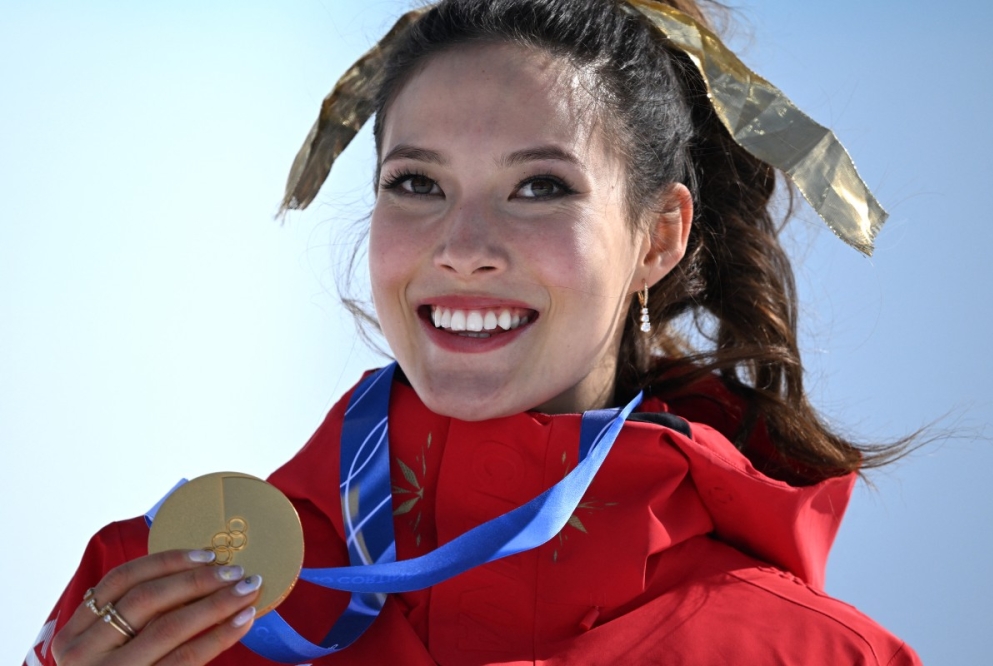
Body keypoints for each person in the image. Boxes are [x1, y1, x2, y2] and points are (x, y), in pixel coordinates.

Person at [26, 0, 921, 664]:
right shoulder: (155, 604)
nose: (463, 249)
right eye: (417, 182)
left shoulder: (809, 653)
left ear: (657, 237)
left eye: (540, 188)